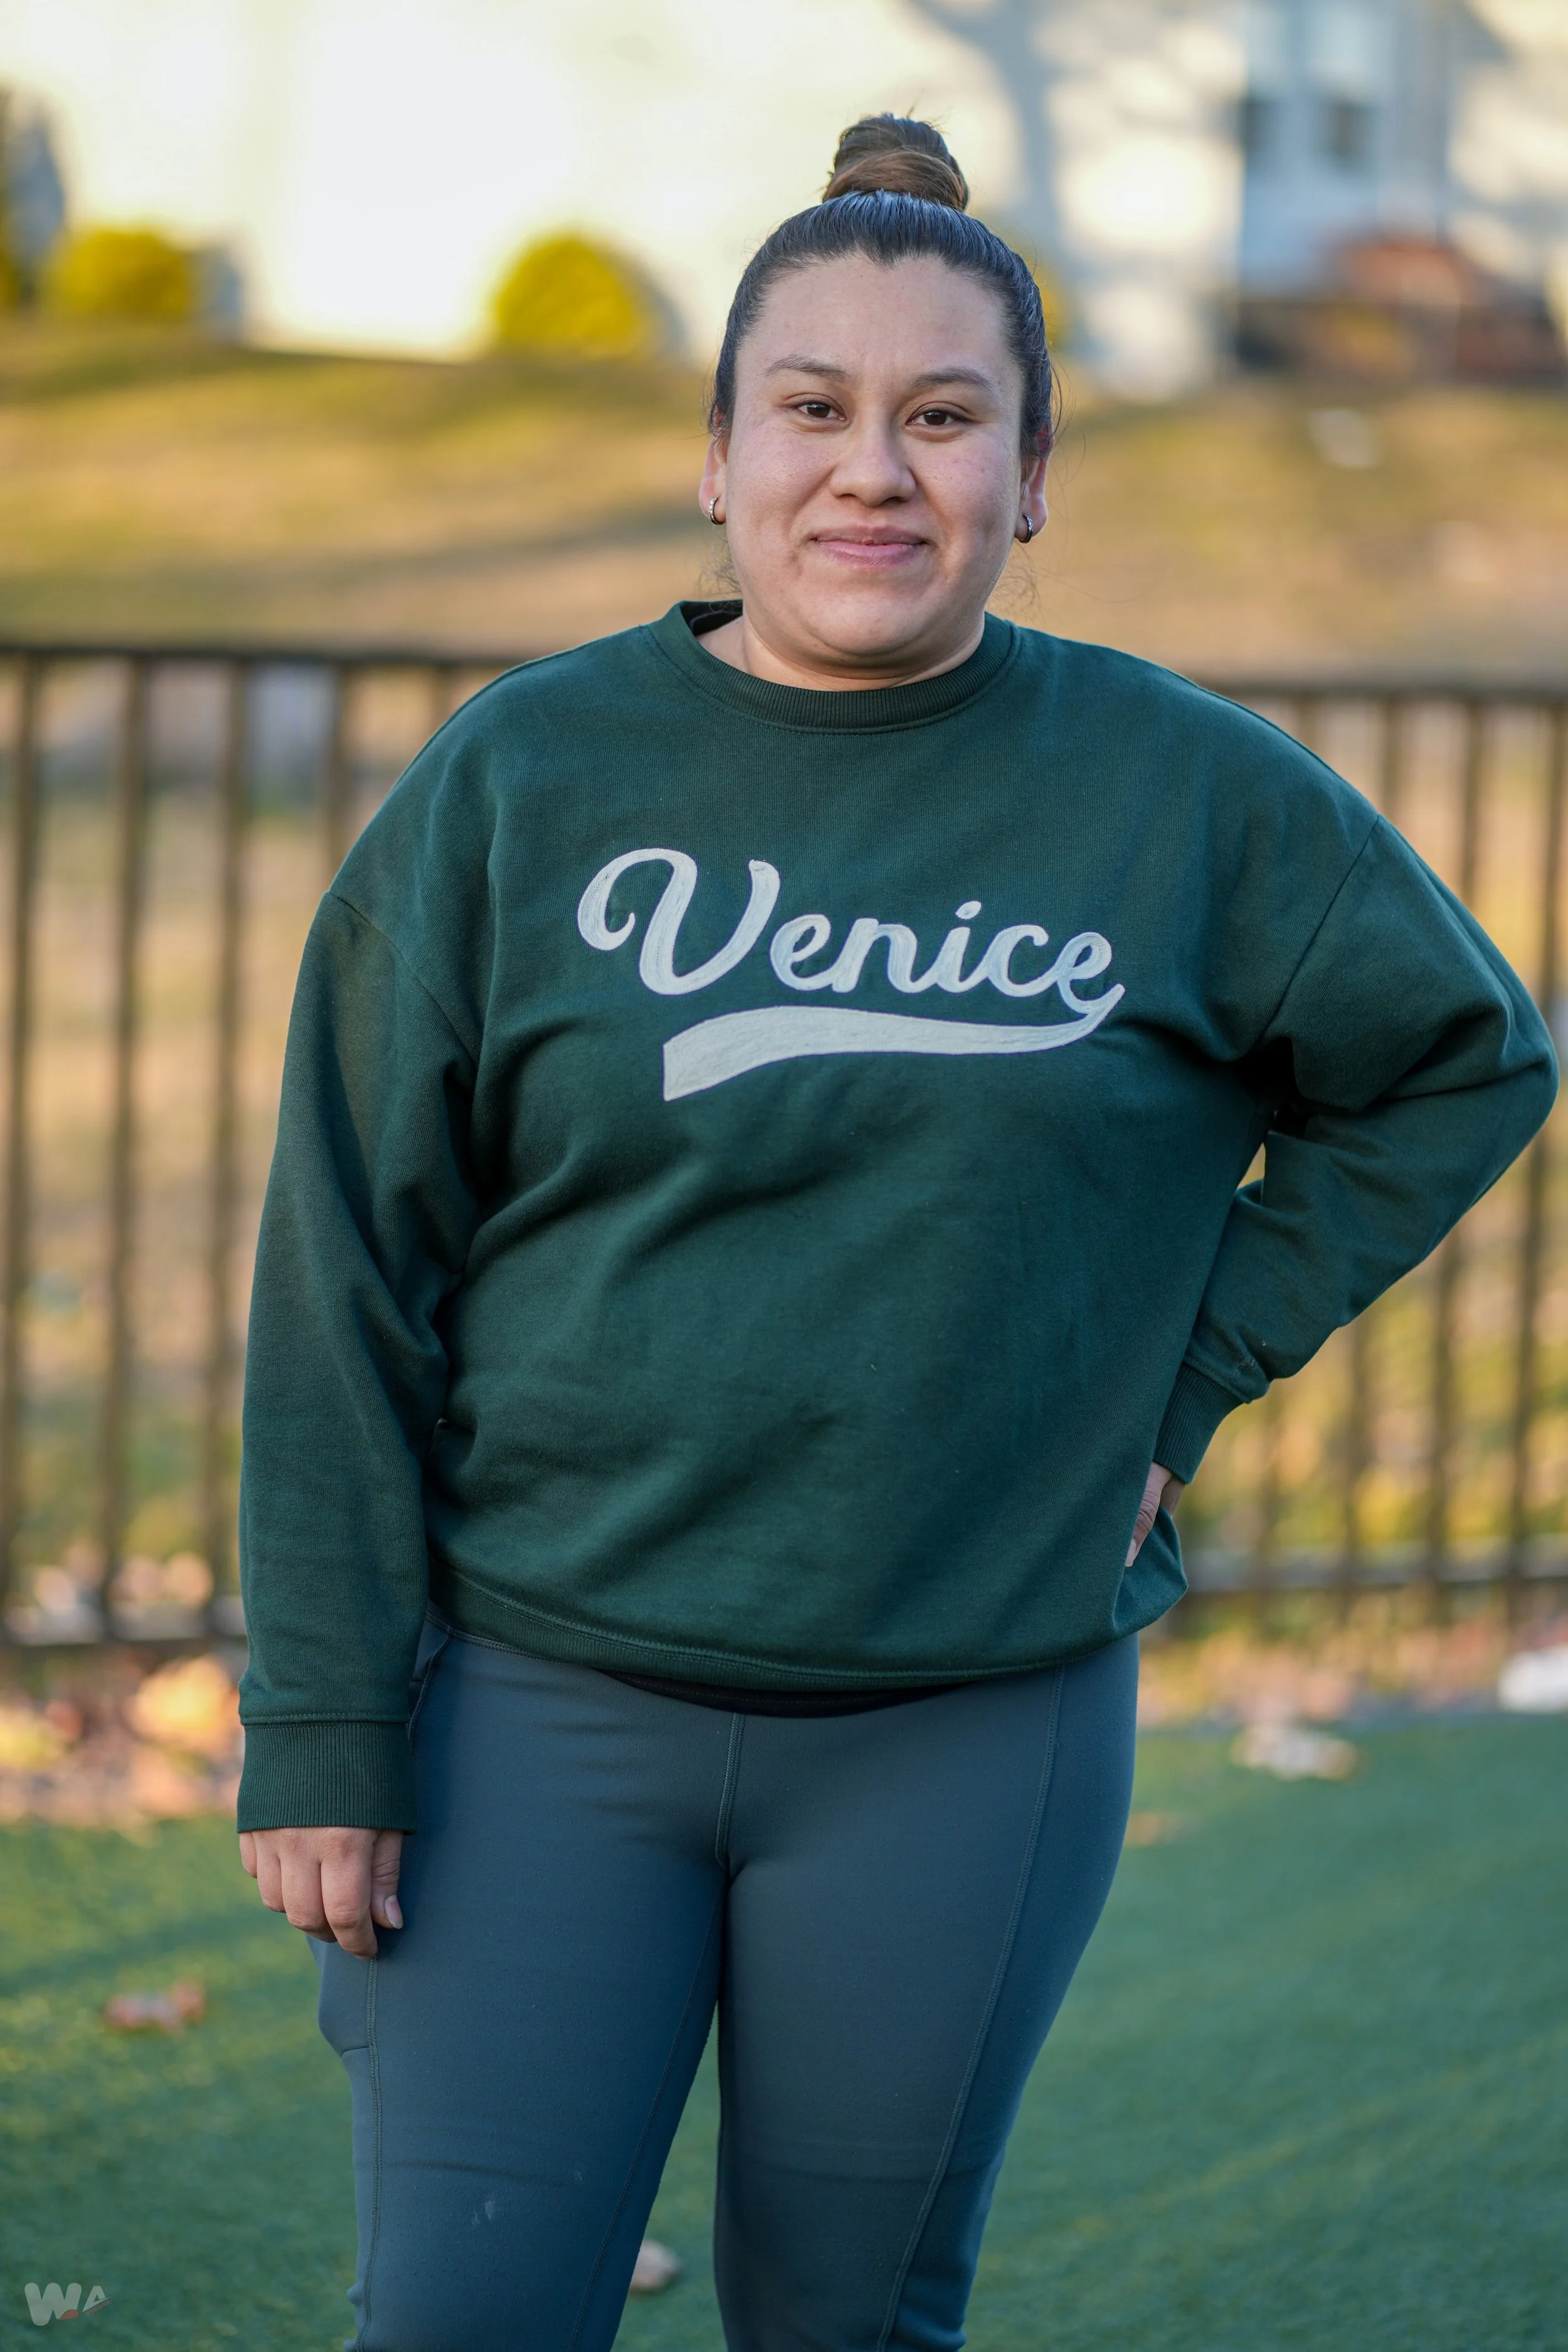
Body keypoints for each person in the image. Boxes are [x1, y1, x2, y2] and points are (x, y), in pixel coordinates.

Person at [235, 115, 1555, 2352]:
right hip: (532, 1701)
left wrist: (1184, 1370)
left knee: (848, 2324)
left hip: (972, 1716)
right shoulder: (521, 779)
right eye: (813, 408)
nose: (873, 470)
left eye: (944, 418)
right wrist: (326, 1720)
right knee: (460, 2318)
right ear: (717, 456)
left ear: (1030, 478)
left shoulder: (1185, 792)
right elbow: (344, 1263)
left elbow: (1462, 1057)